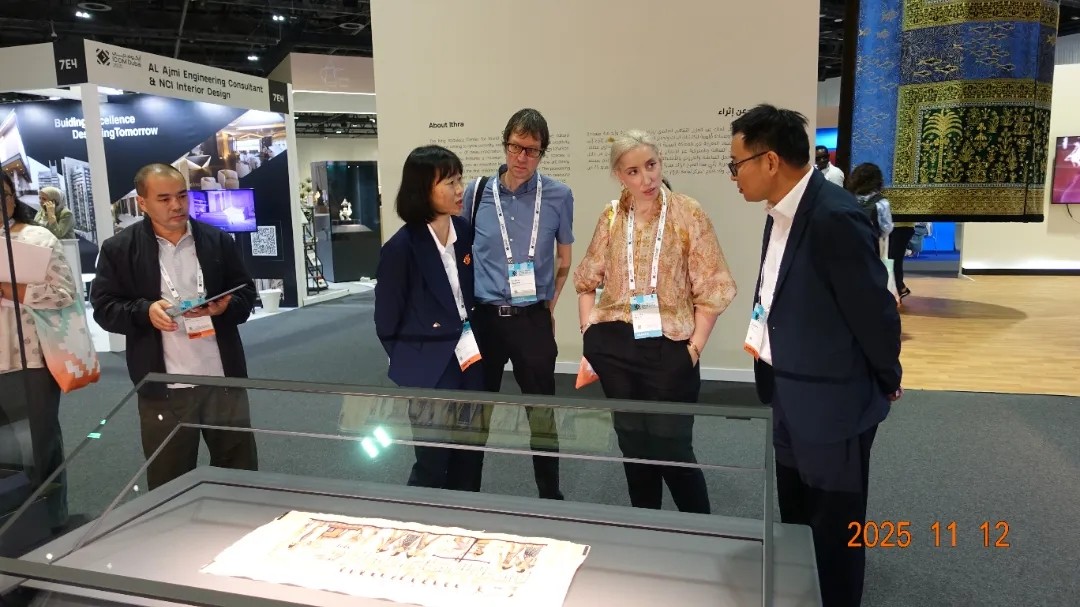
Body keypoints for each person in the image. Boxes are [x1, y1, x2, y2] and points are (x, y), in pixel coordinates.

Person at [729, 105, 902, 607]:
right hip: (788, 391)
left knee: (836, 529)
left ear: (770, 161)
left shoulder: (834, 217)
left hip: (833, 406)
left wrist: (886, 376)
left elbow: (874, 311)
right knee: (798, 519)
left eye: (736, 164)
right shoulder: (779, 213)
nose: (734, 175)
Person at [574, 131, 736, 513]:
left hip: (670, 349)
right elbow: (586, 280)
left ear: (661, 160)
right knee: (633, 447)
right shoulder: (611, 217)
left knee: (673, 449)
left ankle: (701, 531)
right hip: (616, 346)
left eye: (651, 165)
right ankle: (647, 529)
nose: (646, 178)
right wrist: (588, 334)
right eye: (633, 171)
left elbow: (713, 285)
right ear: (619, 175)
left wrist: (694, 349)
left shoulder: (687, 212)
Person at [90, 163, 258, 490]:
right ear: (142, 203)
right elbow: (104, 308)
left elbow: (245, 292)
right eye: (164, 199)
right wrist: (144, 311)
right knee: (170, 480)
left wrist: (226, 306)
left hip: (222, 378)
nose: (177, 205)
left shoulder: (216, 240)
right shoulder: (119, 249)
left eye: (182, 196)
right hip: (163, 386)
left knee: (239, 472)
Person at [462, 108, 574, 500]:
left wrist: (549, 306)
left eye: (531, 150)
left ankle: (550, 495)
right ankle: (467, 493)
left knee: (541, 415)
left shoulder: (559, 196)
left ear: (542, 152)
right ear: (505, 144)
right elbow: (462, 255)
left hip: (531, 320)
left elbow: (564, 259)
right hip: (486, 321)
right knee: (476, 413)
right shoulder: (477, 193)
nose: (522, 157)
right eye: (515, 147)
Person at [374, 145, 487, 492]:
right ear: (423, 189)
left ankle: (467, 514)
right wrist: (414, 364)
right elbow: (386, 322)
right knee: (433, 459)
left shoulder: (464, 232)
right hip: (429, 368)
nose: (460, 189)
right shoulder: (400, 249)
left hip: (470, 360)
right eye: (450, 182)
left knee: (471, 453)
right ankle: (424, 519)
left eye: (460, 180)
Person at [0, 172, 74, 530]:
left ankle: (50, 528)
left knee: (37, 450)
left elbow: (64, 293)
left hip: (28, 361)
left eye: (3, 194)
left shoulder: (36, 237)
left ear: (12, 196)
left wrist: (8, 289)